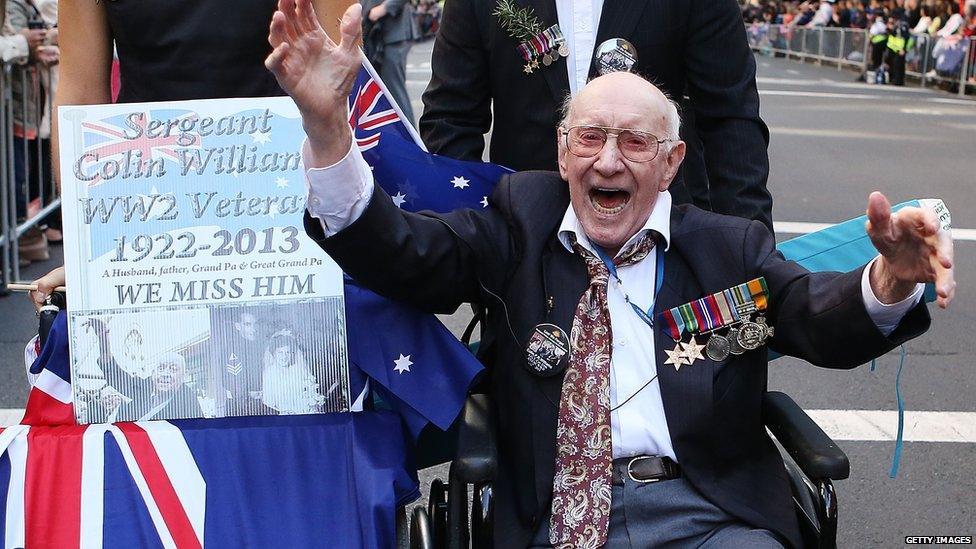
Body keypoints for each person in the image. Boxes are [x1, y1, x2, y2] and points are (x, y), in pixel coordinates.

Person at [266, 2, 954, 546]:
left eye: (635, 142)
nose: (609, 161)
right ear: (563, 154)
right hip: (554, 518)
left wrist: (889, 280)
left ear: (673, 163)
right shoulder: (516, 227)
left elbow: (813, 311)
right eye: (590, 138)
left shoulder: (723, 249)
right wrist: (329, 134)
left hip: (711, 519)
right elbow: (401, 252)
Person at [417, 0, 774, 230]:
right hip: (523, 241)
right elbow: (450, 118)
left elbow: (731, 118)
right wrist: (470, 234)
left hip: (660, 236)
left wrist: (747, 244)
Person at [361, 0, 416, 125]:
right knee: (379, 96)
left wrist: (384, 8)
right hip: (373, 34)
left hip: (392, 33)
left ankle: (409, 141)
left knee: (395, 95)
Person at [119, 352, 204, 421]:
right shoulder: (142, 393)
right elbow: (121, 380)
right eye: (161, 368)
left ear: (184, 376)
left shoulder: (189, 404)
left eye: (173, 369)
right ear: (153, 374)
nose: (165, 374)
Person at [260, 331, 324, 414]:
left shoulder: (298, 370)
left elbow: (310, 390)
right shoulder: (269, 374)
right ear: (274, 354)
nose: (284, 357)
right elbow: (268, 403)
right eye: (280, 352)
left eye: (288, 352)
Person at [216, 311, 266, 416]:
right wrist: (248, 394)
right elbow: (230, 381)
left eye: (255, 324)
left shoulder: (260, 347)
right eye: (248, 324)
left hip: (261, 402)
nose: (254, 329)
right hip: (240, 406)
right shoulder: (231, 350)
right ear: (238, 326)